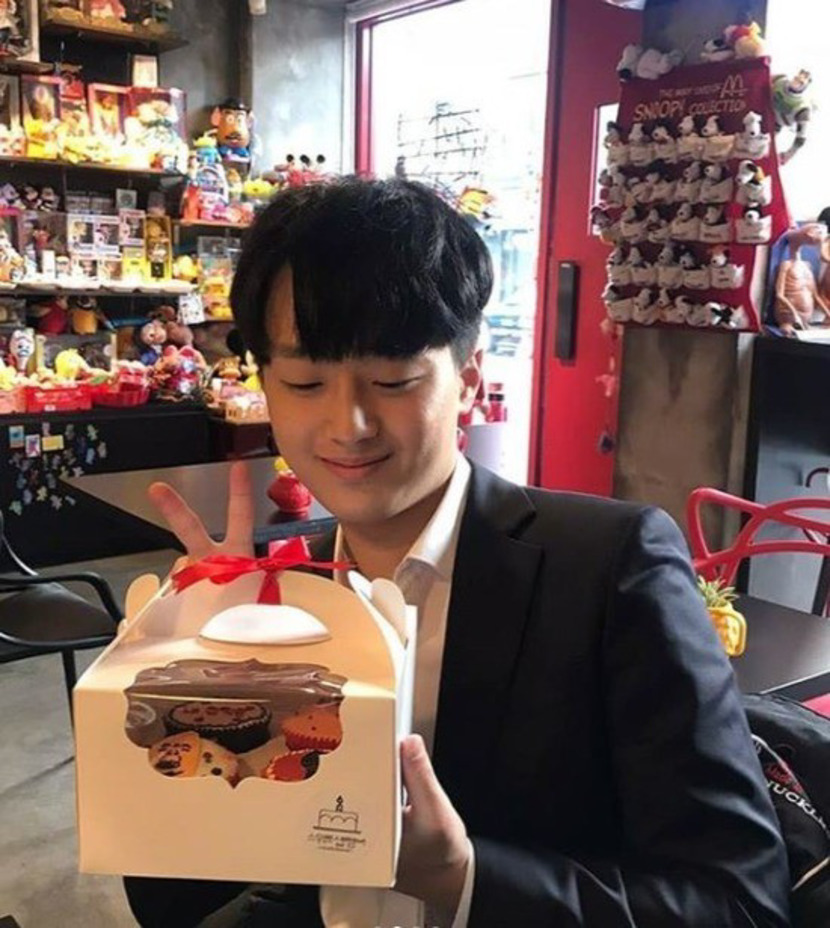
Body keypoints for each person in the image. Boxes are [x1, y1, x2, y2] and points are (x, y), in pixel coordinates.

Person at [124, 178, 790, 927]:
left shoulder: (609, 571)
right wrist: (195, 688)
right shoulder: (280, 597)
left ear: (468, 379)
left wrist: (464, 878)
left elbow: (743, 903)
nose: (347, 426)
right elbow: (168, 900)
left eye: (393, 380)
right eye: (305, 382)